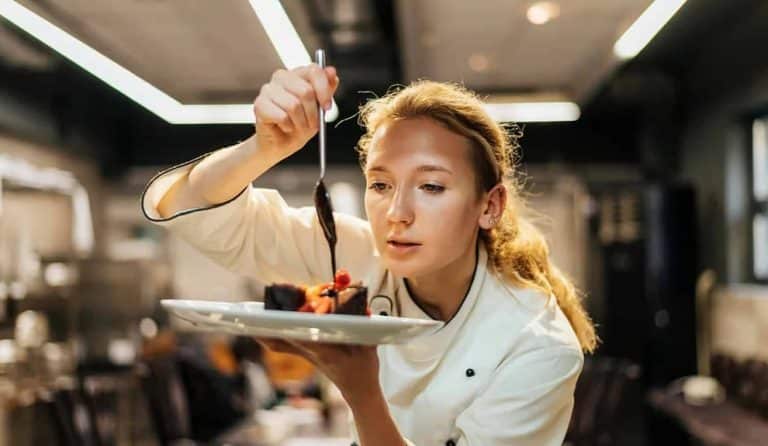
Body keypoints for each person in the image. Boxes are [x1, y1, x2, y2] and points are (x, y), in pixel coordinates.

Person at [141, 63, 597, 446]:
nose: (397, 213)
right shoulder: (354, 253)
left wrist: (361, 392)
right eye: (380, 184)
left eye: (431, 186)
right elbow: (193, 209)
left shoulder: (537, 345)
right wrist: (263, 147)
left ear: (489, 206)